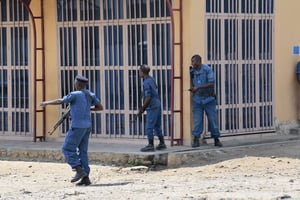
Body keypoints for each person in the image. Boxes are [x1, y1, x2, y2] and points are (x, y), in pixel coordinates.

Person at [40, 75, 103, 186]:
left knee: (67, 149)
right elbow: (100, 107)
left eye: (75, 83)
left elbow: (61, 101)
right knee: (82, 151)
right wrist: (87, 108)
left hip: (77, 126)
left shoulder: (75, 94)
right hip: (87, 126)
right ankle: (86, 178)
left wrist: (46, 103)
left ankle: (79, 170)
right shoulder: (90, 94)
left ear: (77, 84)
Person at [189, 54, 223, 148]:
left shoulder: (207, 70)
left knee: (213, 120)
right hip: (197, 99)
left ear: (199, 62)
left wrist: (198, 87)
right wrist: (193, 88)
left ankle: (216, 139)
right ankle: (196, 139)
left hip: (209, 99)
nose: (193, 65)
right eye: (192, 63)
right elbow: (191, 81)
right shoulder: (192, 71)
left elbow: (211, 83)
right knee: (198, 120)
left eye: (194, 63)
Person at [137, 64, 167, 152]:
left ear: (142, 72)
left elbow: (148, 97)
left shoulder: (146, 82)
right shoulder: (151, 79)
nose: (139, 73)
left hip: (152, 106)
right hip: (157, 104)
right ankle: (162, 143)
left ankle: (150, 145)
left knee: (149, 126)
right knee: (157, 125)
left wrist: (142, 108)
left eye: (139, 71)